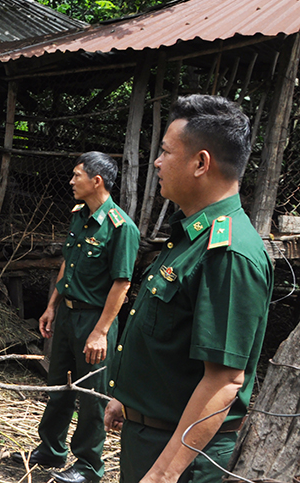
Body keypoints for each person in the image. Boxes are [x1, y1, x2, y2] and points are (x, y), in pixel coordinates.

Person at [104, 94, 272, 483]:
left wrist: (165, 473)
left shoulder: (229, 252)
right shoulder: (190, 236)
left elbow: (224, 380)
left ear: (201, 163)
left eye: (165, 151)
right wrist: (128, 401)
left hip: (181, 455)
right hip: (150, 435)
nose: (158, 162)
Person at [14, 152, 139, 483]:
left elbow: (122, 283)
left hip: (95, 321)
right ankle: (50, 449)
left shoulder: (121, 227)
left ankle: (88, 465)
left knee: (91, 396)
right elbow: (67, 264)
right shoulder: (80, 216)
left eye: (77, 175)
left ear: (96, 181)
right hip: (68, 316)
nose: (71, 181)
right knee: (59, 386)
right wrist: (52, 305)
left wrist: (100, 332)